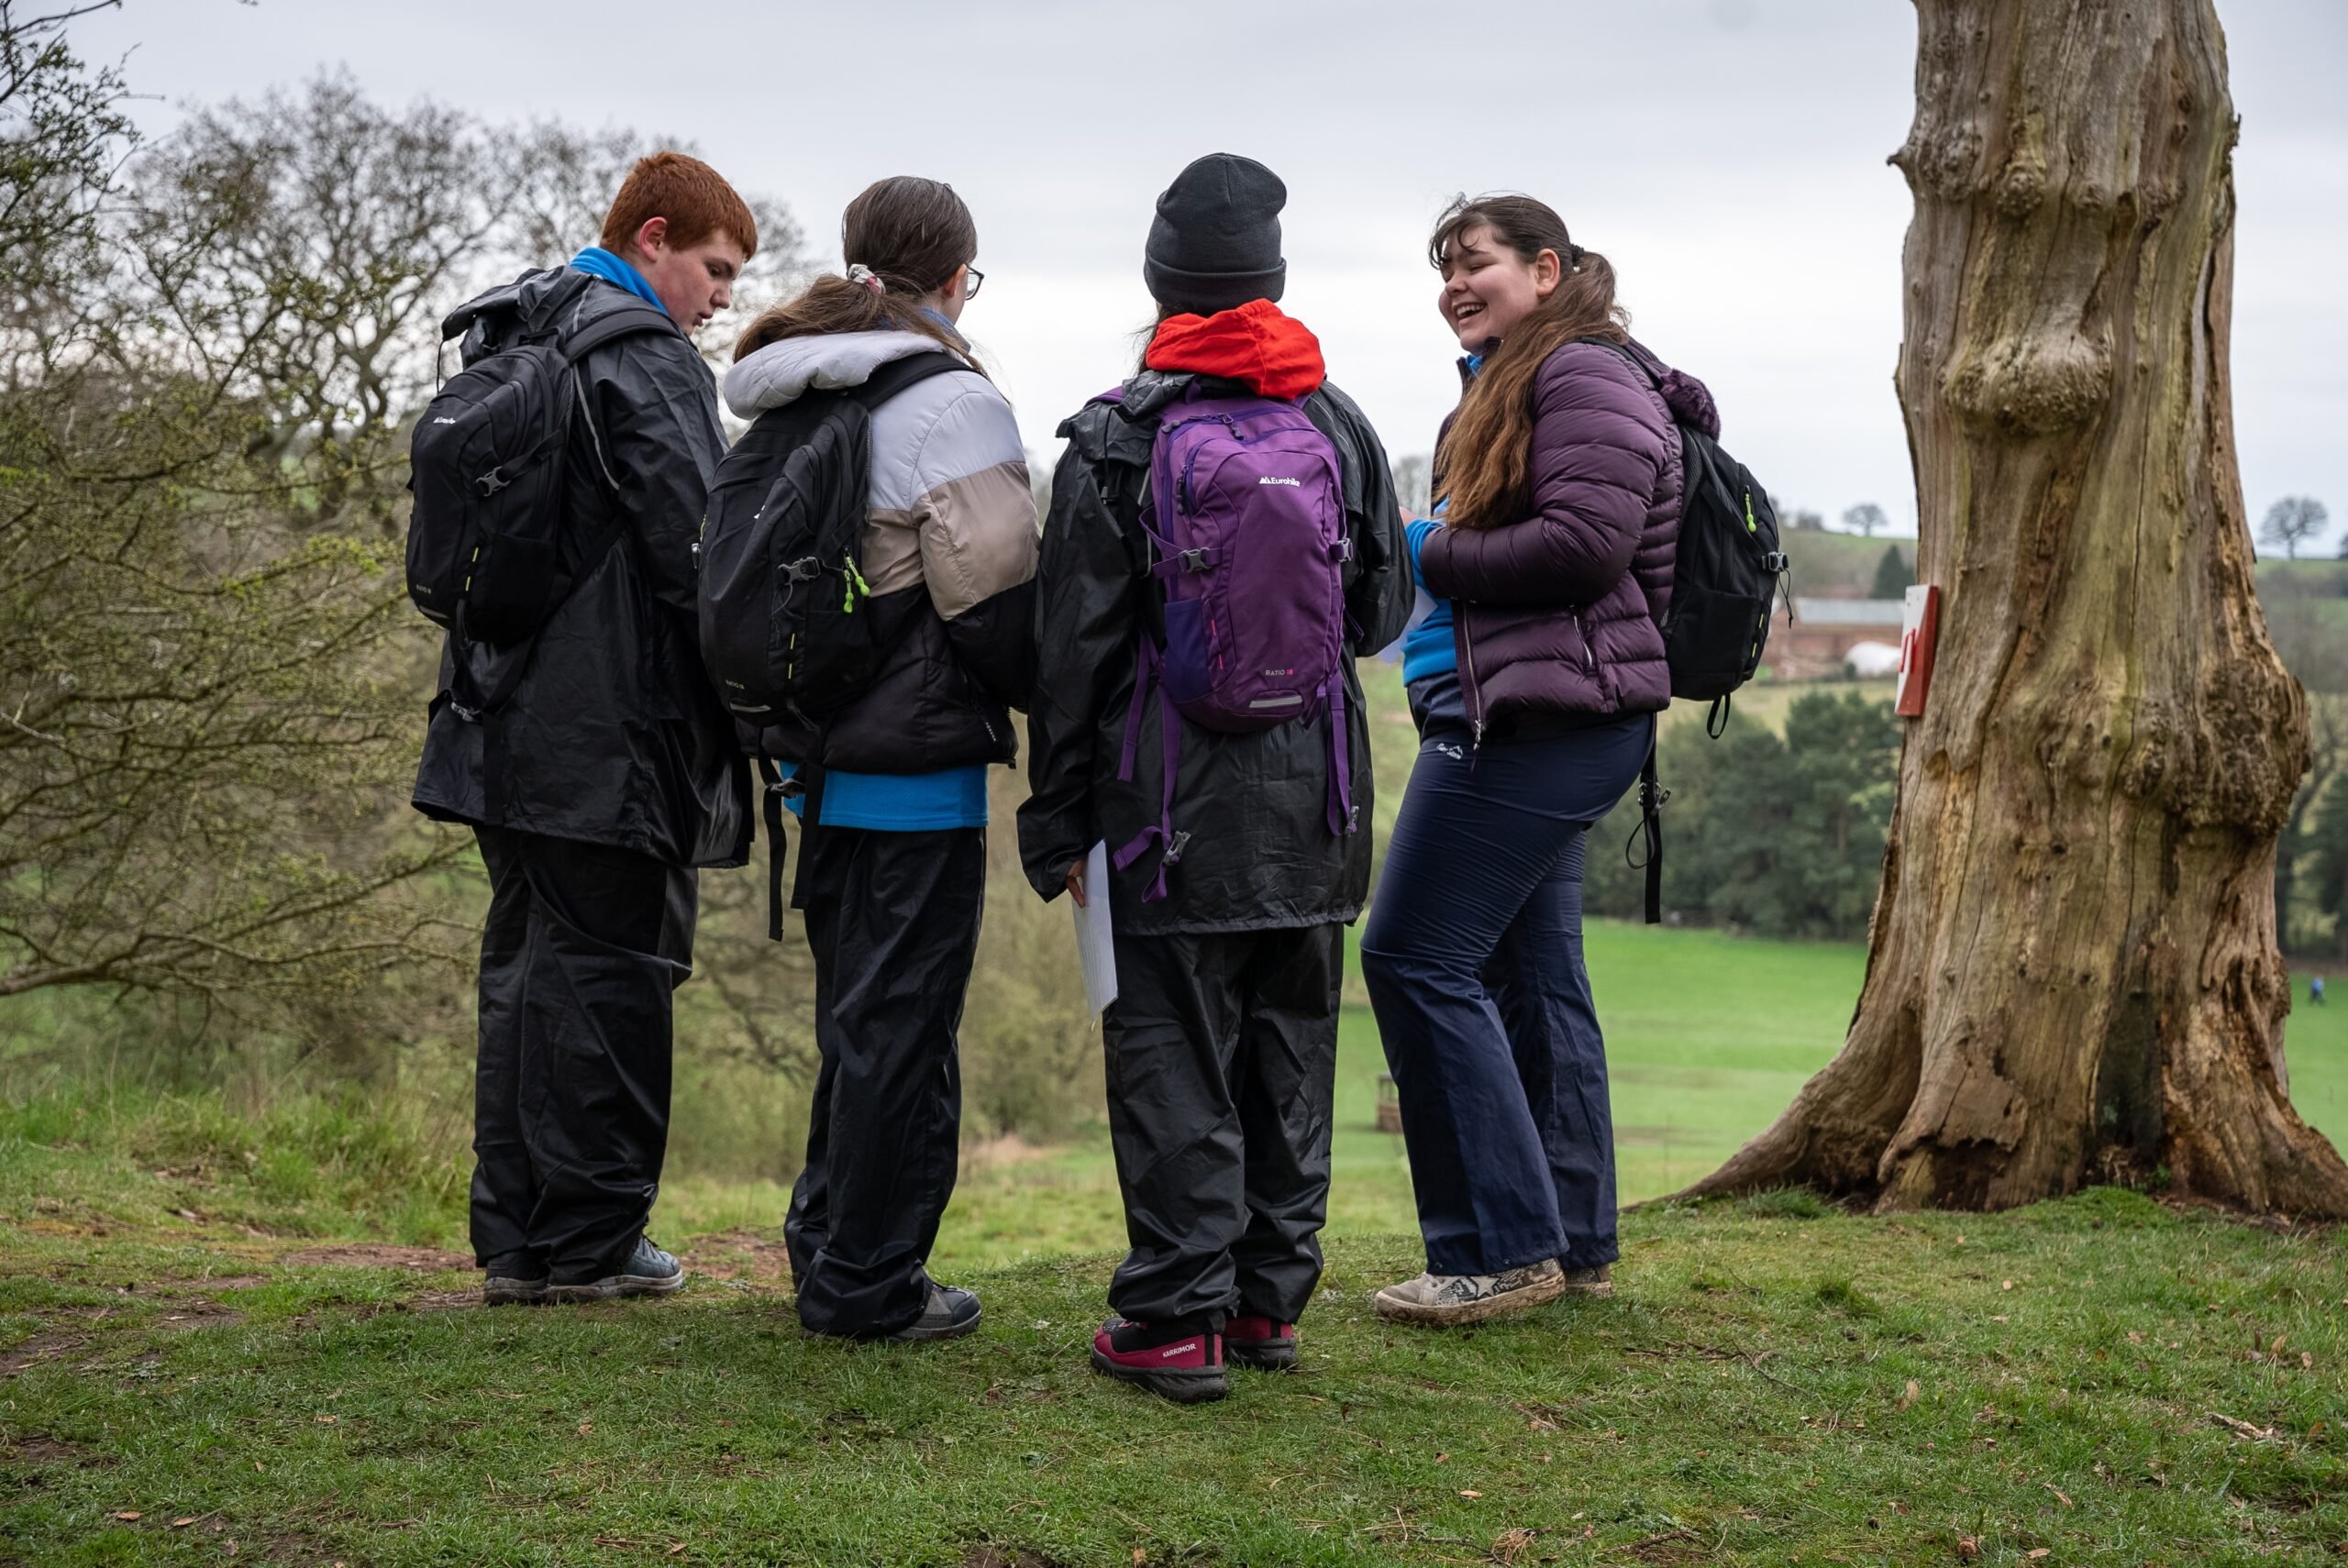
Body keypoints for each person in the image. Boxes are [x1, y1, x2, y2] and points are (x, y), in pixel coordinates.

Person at [1021, 154, 1411, 1403]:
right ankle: (1264, 1305)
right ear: (1272, 280)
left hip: (1165, 814)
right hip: (1317, 806)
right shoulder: (1338, 423)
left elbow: (1068, 656)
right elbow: (1379, 613)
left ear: (1162, 284)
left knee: (1171, 1051)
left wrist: (1056, 816)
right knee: (1291, 1047)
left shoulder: (1116, 436)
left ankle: (1171, 1319)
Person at [1360, 193, 1721, 1326]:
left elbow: (1582, 547)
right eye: (1445, 271)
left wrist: (1427, 546)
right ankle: (1570, 1238)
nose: (1455, 287)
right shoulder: (1527, 376)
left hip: (1538, 723)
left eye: (1478, 265)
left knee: (1412, 957)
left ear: (1548, 268)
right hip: (1541, 714)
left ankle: (1495, 1249)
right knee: (1530, 976)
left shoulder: (1582, 376)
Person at [413, 153, 759, 1305]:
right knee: (611, 984)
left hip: (493, 722)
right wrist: (768, 714)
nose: (722, 299)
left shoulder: (522, 328)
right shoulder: (640, 356)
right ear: (651, 238)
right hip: (611, 741)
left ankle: (519, 1244)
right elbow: (704, 554)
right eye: (712, 270)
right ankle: (597, 1243)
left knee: (523, 982)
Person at [725, 177, 1038, 1342]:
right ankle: (867, 1284)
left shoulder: (801, 386)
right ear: (957, 279)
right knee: (904, 1028)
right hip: (913, 767)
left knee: (859, 1019)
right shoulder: (947, 403)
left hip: (814, 756)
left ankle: (828, 1249)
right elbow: (994, 605)